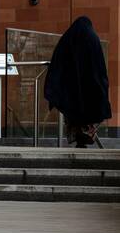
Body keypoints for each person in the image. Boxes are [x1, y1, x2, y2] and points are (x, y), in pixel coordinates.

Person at [43, 16, 112, 149]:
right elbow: (99, 67)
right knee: (87, 114)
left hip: (71, 89)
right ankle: (85, 137)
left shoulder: (68, 38)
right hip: (91, 87)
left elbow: (58, 62)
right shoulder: (93, 39)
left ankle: (80, 138)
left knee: (75, 113)